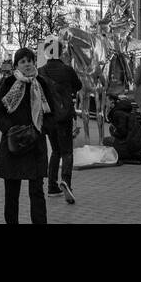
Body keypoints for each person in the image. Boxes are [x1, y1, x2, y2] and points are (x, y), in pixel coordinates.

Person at [0, 47, 54, 224]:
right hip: (14, 144)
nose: (27, 64)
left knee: (37, 192)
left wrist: (40, 130)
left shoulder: (41, 83)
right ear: (16, 65)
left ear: (34, 62)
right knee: (11, 193)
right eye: (22, 61)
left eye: (29, 61)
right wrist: (11, 130)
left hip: (35, 144)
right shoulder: (9, 83)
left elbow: (51, 113)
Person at [39, 35, 82, 203]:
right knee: (67, 152)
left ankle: (51, 186)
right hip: (64, 117)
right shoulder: (67, 70)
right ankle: (66, 181)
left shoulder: (41, 71)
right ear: (61, 51)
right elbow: (78, 86)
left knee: (55, 151)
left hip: (49, 118)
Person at [104, 94, 141, 162]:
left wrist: (114, 132)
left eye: (106, 101)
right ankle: (119, 151)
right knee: (111, 130)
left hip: (132, 150)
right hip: (137, 150)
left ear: (112, 102)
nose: (105, 103)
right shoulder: (122, 111)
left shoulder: (117, 113)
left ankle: (119, 153)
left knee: (106, 141)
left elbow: (122, 133)